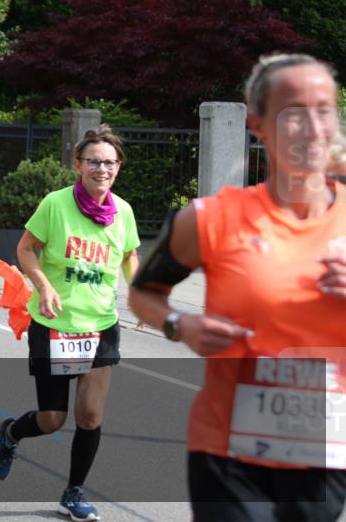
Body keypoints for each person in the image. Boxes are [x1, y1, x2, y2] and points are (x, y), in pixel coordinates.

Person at [128, 53, 346, 522]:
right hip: (226, 452)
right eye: (293, 112)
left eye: (324, 109)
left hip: (324, 449)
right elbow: (143, 292)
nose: (311, 127)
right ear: (258, 123)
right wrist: (180, 325)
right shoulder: (211, 219)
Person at [0, 124, 140, 522]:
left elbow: (129, 254)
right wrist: (43, 285)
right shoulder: (55, 204)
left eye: (109, 163)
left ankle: (73, 493)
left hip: (101, 325)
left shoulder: (123, 211)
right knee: (52, 419)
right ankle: (11, 434)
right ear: (78, 164)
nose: (101, 169)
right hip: (54, 324)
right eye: (93, 161)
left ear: (118, 168)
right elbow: (26, 248)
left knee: (90, 416)